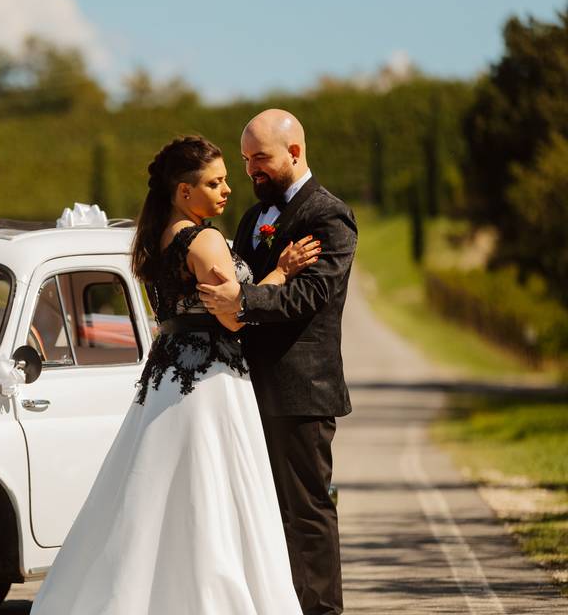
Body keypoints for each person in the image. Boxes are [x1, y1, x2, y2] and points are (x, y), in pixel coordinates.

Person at [30, 135, 321, 614]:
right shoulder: (204, 239)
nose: (228, 189)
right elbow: (233, 315)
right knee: (215, 499)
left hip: (166, 380)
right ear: (185, 191)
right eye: (215, 182)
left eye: (227, 179)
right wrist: (282, 272)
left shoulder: (153, 237)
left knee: (156, 495)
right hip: (211, 383)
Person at [197, 109, 358, 615]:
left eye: (259, 158)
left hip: (299, 389)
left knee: (306, 512)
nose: (251, 171)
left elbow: (311, 295)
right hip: (247, 387)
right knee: (261, 512)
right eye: (245, 161)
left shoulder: (327, 215)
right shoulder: (251, 218)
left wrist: (239, 303)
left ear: (294, 152)